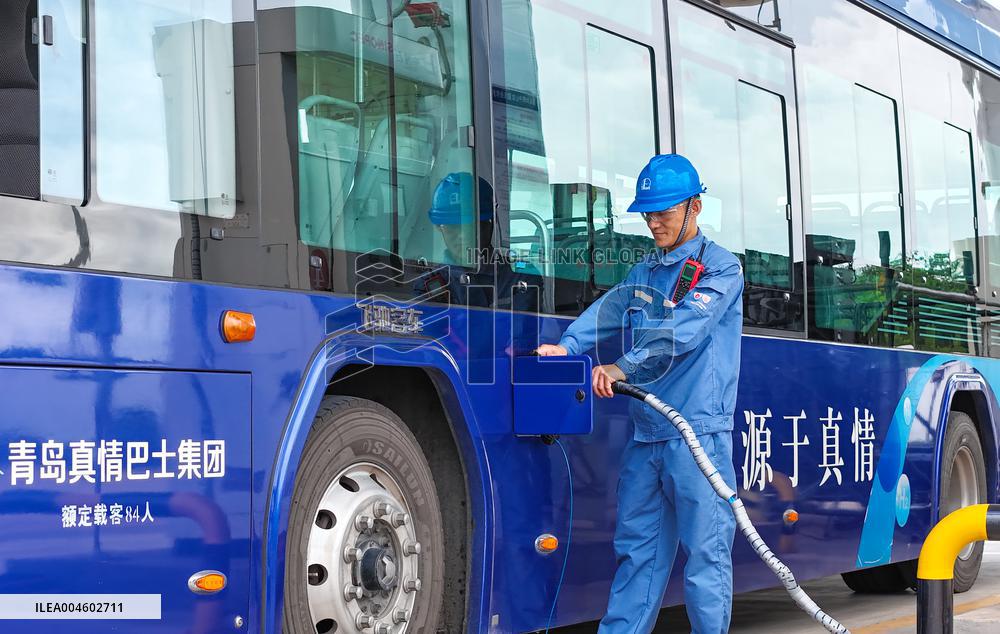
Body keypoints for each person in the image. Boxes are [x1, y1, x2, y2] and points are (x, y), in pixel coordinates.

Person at [536, 154, 744, 633]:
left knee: (706, 562)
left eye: (664, 213)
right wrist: (566, 348)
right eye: (648, 214)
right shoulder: (645, 273)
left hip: (697, 437)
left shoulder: (720, 269)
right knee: (638, 557)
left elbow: (684, 329)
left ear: (694, 207)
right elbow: (606, 314)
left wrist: (620, 365)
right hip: (648, 436)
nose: (654, 223)